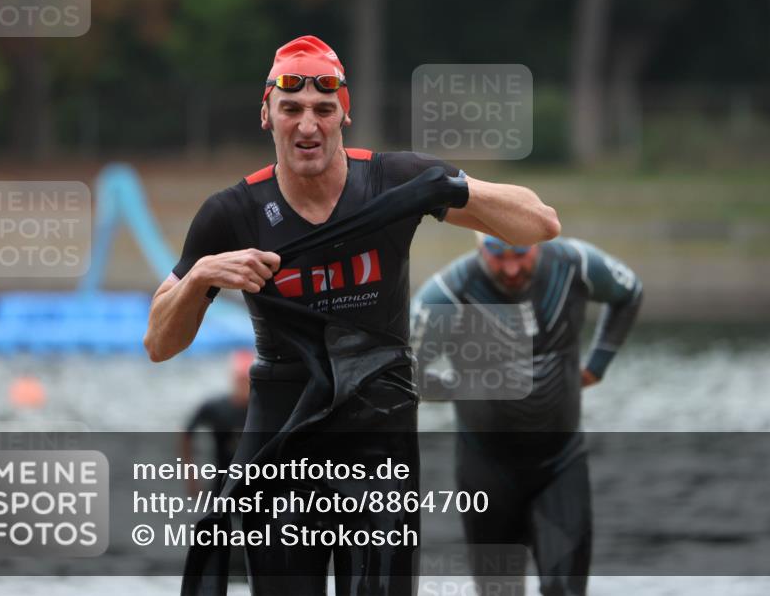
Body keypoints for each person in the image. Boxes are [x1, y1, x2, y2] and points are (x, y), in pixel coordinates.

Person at [143, 35, 560, 596]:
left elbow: (540, 224)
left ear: (346, 113)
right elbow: (159, 343)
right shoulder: (233, 214)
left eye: (322, 109)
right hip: (282, 441)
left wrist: (453, 189)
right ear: (267, 115)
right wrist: (200, 277)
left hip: (378, 433)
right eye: (291, 109)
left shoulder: (393, 181)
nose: (307, 125)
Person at [411, 234, 643, 596]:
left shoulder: (574, 265)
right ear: (478, 247)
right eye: (497, 256)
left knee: (564, 590)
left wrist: (597, 365)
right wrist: (461, 387)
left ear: (538, 242)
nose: (512, 268)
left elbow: (630, 292)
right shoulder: (449, 294)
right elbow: (400, 374)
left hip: (560, 465)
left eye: (521, 253)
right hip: (486, 471)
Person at [181, 350, 253, 495]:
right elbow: (186, 433)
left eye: (248, 381)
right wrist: (191, 477)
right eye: (241, 380)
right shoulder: (216, 408)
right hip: (221, 483)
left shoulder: (263, 410)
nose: (244, 387)